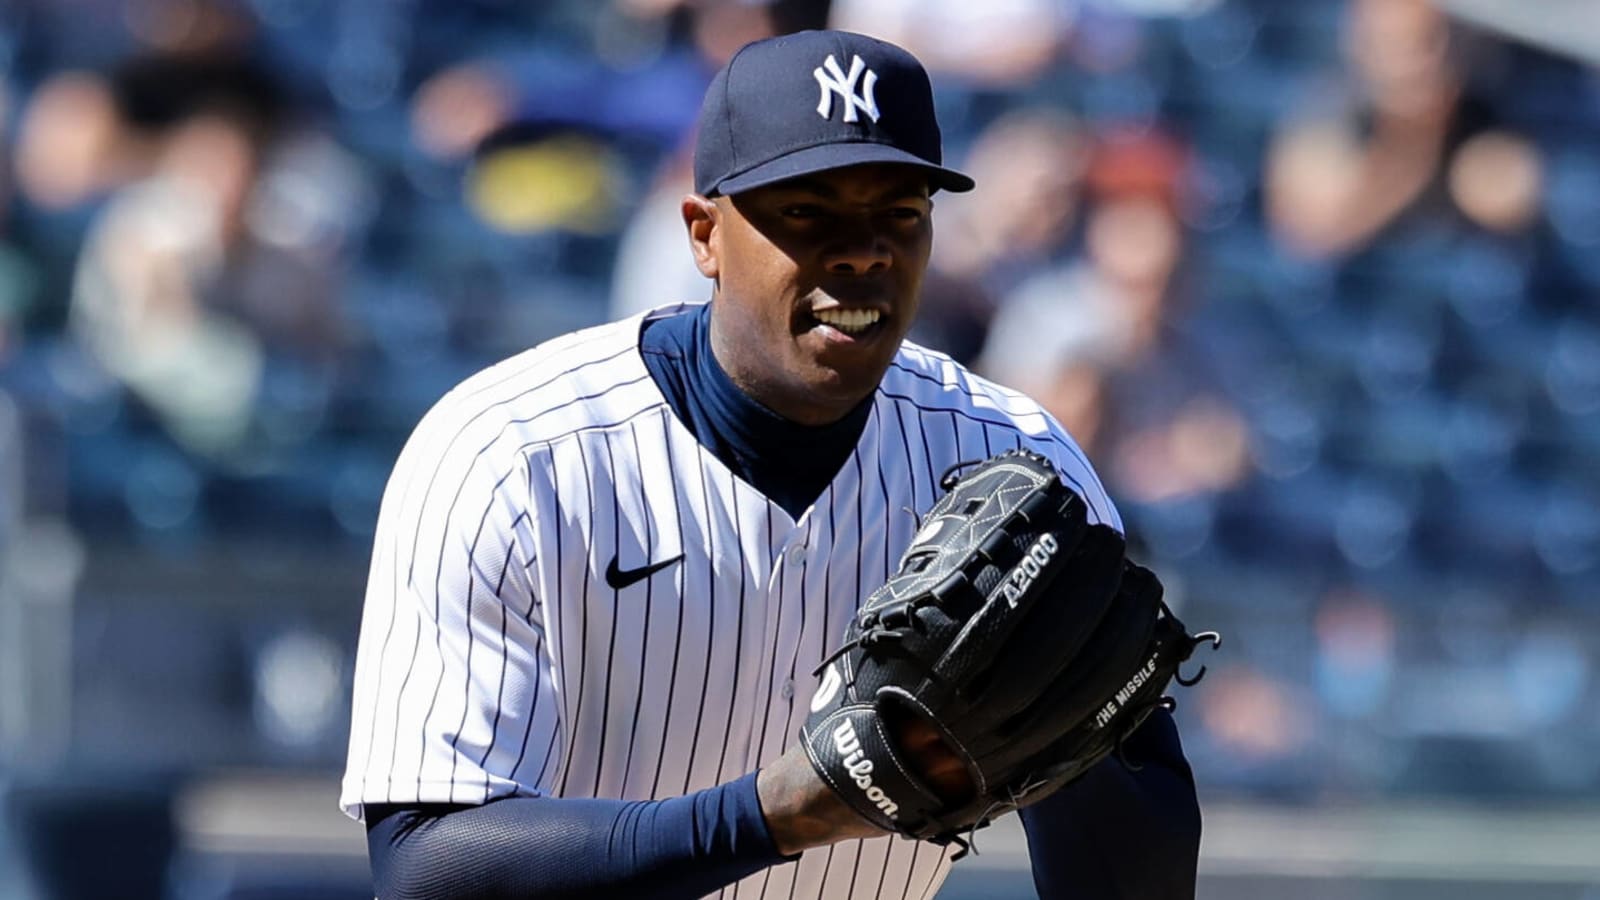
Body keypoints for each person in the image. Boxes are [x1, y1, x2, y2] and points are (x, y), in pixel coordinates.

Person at [341, 29, 1201, 899]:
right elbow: (425, 870)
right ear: (704, 235)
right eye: (807, 211)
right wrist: (776, 815)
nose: (864, 250)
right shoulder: (514, 457)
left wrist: (1070, 746)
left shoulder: (1018, 467)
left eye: (899, 213)